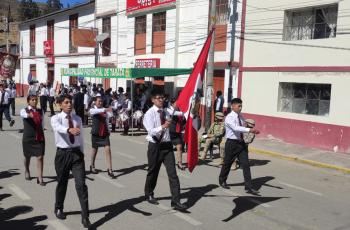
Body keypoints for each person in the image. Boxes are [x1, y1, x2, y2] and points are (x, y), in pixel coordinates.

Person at [143, 89, 187, 211]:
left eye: (162, 98)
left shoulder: (167, 111)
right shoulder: (149, 113)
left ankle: (176, 200)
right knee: (153, 171)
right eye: (158, 98)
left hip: (167, 146)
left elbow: (180, 113)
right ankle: (149, 193)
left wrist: (189, 109)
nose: (161, 100)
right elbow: (150, 130)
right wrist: (162, 127)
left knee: (173, 174)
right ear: (153, 100)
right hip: (155, 145)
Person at [50, 94, 91, 228]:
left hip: (76, 154)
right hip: (62, 154)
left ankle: (85, 217)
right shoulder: (56, 118)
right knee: (62, 182)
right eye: (66, 103)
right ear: (60, 104)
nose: (69, 105)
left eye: (70, 102)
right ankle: (59, 207)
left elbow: (81, 138)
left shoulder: (77, 118)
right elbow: (58, 128)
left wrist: (83, 154)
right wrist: (69, 130)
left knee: (81, 185)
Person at [218, 98, 260, 195]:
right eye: (239, 106)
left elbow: (242, 126)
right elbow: (235, 128)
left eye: (241, 106)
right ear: (232, 106)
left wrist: (249, 130)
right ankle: (222, 180)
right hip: (231, 143)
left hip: (241, 143)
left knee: (246, 164)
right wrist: (249, 130)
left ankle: (249, 187)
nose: (240, 108)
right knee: (227, 163)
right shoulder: (229, 117)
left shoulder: (241, 116)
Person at [20, 95, 45, 185]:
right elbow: (23, 115)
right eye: (32, 100)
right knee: (27, 156)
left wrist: (42, 132)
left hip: (39, 136)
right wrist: (29, 115)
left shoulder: (40, 110)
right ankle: (27, 170)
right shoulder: (24, 110)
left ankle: (40, 177)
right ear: (28, 101)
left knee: (40, 157)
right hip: (28, 137)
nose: (34, 101)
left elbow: (43, 123)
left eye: (36, 100)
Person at [89, 96, 115, 178]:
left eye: (101, 101)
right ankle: (92, 165)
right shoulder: (92, 109)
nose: (100, 103)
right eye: (99, 101)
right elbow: (96, 111)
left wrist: (109, 130)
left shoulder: (104, 110)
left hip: (104, 132)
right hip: (96, 133)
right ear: (95, 102)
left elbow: (109, 118)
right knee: (94, 150)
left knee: (108, 149)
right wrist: (106, 109)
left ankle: (110, 169)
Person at [167, 98, 186, 170]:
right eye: (176, 103)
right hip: (169, 132)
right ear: (172, 104)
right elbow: (174, 113)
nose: (178, 105)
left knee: (180, 147)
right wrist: (184, 112)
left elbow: (183, 119)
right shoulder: (168, 109)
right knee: (166, 149)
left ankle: (180, 163)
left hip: (176, 132)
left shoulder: (179, 110)